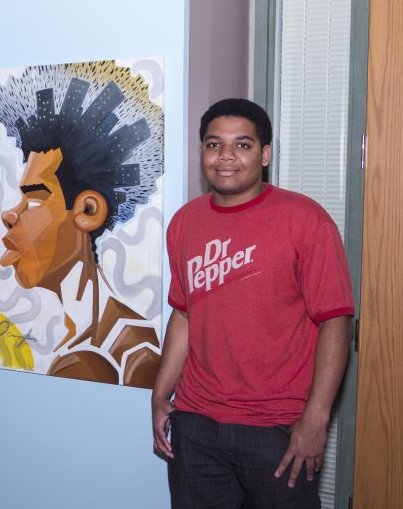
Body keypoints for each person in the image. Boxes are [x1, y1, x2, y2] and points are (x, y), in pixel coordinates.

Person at [152, 98, 354, 507]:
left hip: (277, 430)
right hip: (195, 425)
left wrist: (315, 421)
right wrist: (160, 394)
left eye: (242, 145)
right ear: (201, 152)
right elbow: (185, 313)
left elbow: (336, 320)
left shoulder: (305, 220)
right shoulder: (185, 222)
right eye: (214, 144)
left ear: (264, 155)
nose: (226, 156)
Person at [0, 64, 164, 387]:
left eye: (34, 197)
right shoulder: (89, 338)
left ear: (87, 210)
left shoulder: (121, 356)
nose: (9, 215)